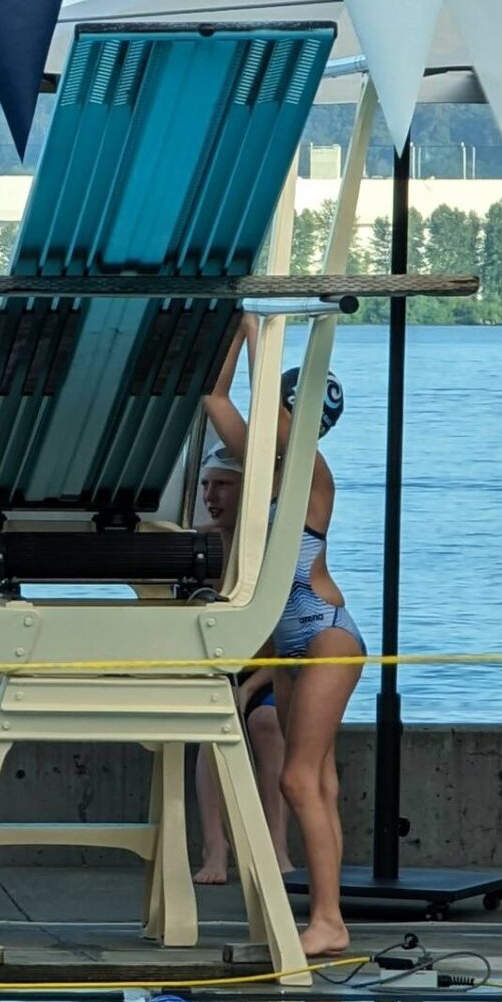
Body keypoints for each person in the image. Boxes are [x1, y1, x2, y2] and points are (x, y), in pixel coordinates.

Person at [205, 318, 364, 959]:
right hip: (288, 645)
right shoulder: (260, 475)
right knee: (316, 783)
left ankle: (328, 918)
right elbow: (215, 402)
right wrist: (241, 332)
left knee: (299, 780)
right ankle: (328, 917)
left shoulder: (312, 475)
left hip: (325, 634)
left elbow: (264, 414)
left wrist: (260, 346)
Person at [189, 450, 291, 887]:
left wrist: (249, 690)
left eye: (223, 485)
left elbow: (289, 644)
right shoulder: (197, 544)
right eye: (206, 485)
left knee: (267, 722)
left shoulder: (275, 551)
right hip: (218, 671)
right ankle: (216, 847)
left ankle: (275, 847)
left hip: (268, 670)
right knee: (217, 721)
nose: (212, 495)